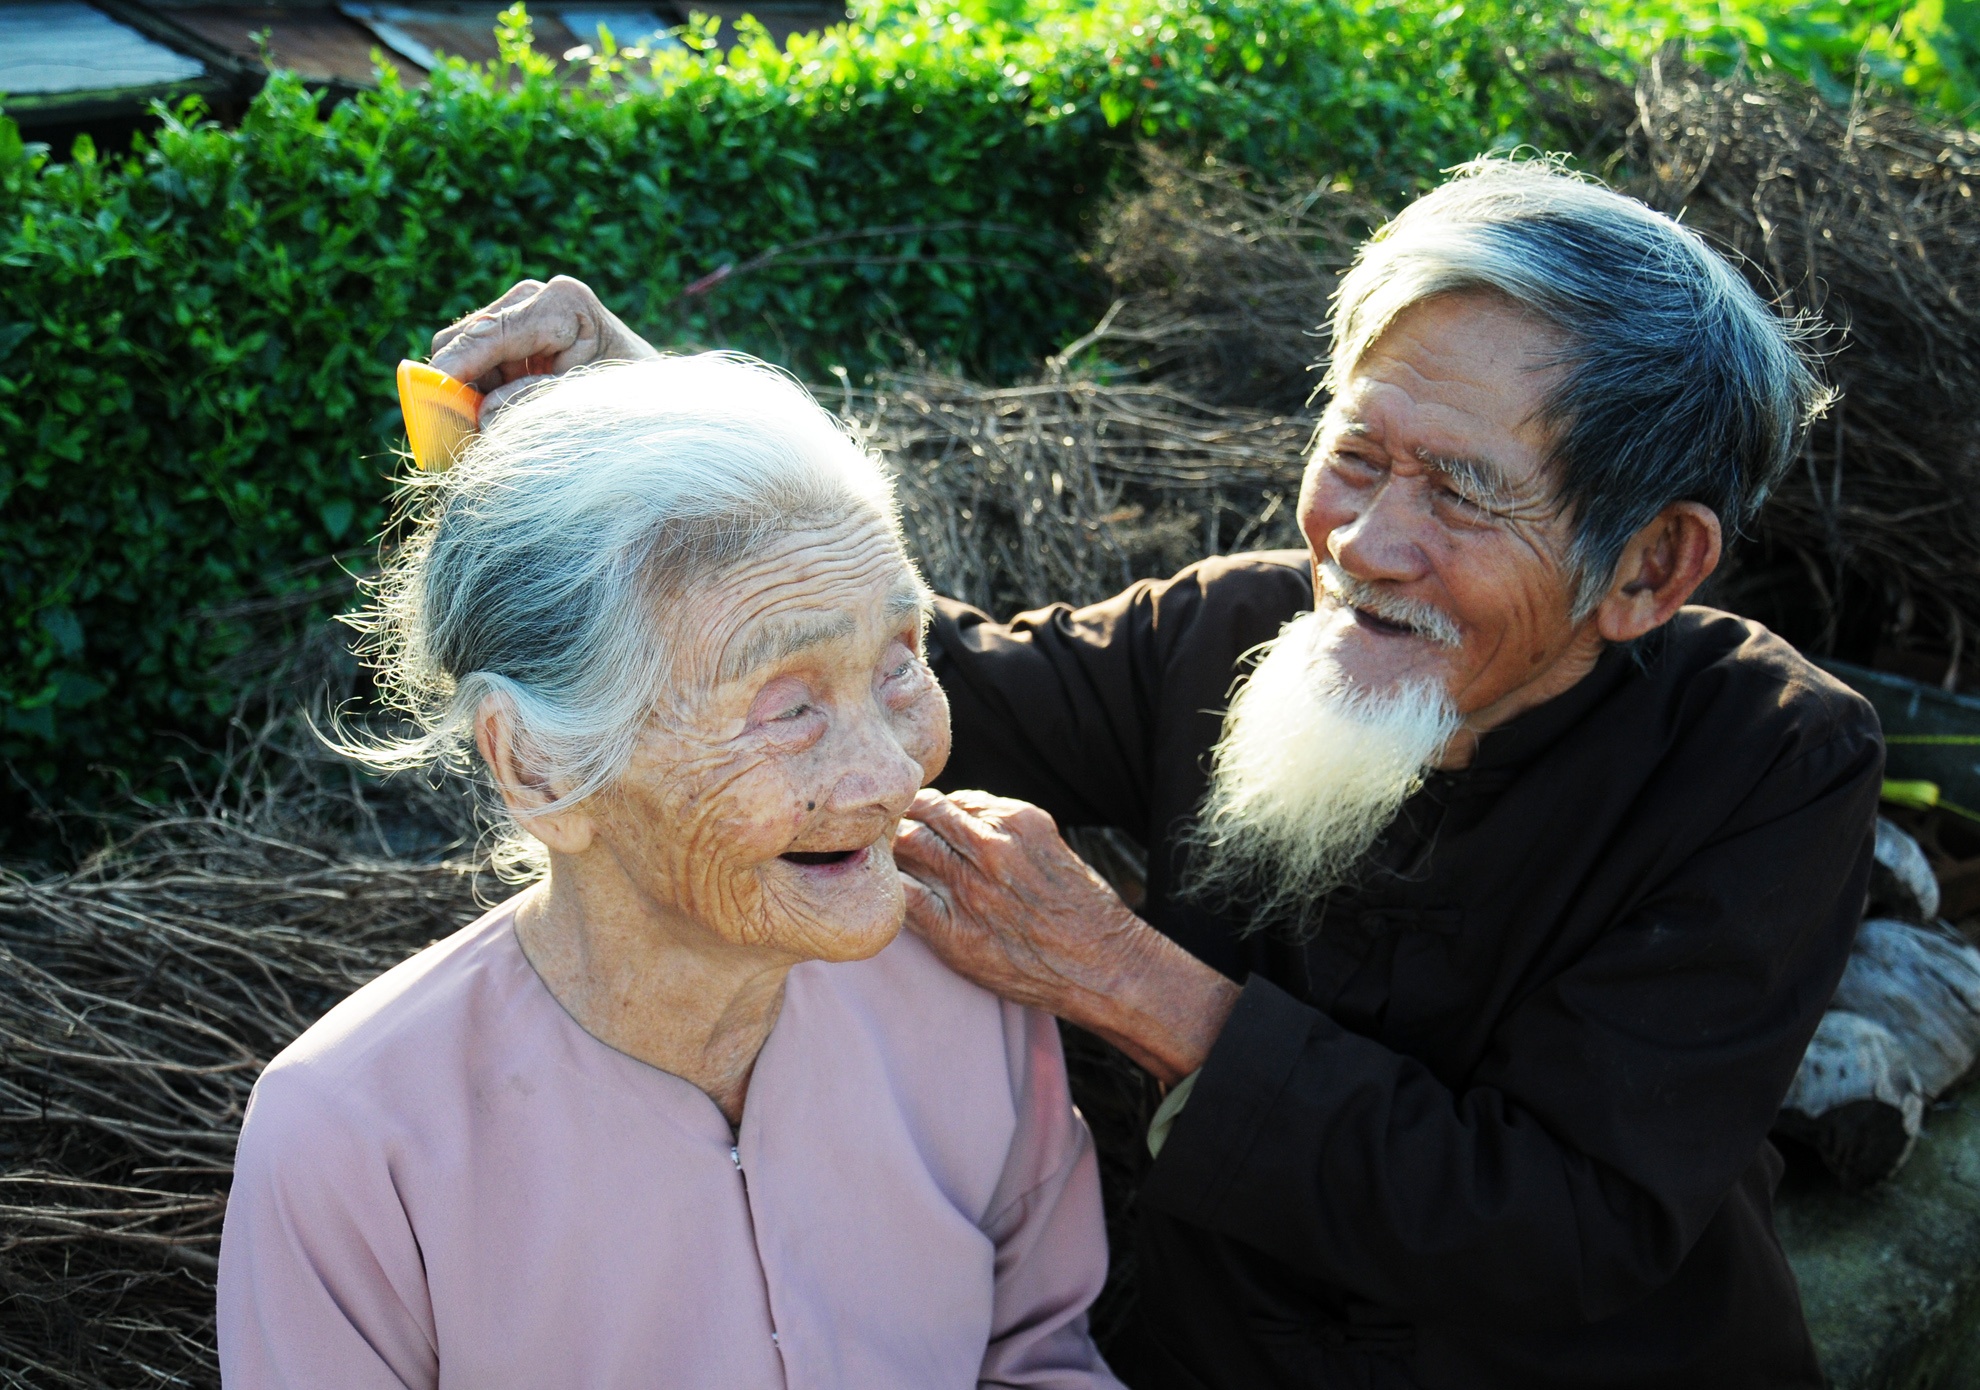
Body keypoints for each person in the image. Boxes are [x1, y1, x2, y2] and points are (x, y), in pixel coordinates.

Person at [437, 158, 1883, 1388]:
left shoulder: (1769, 759)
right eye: (1359, 452)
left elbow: (1564, 1221)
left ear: (1649, 564)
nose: (1369, 541)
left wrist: (1124, 976)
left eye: (1462, 490)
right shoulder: (1235, 627)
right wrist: (665, 415)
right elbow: (940, 685)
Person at [215, 354, 1123, 1390]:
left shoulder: (973, 979)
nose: (887, 773)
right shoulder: (352, 1140)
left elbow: (1042, 1357)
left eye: (899, 662)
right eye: (788, 707)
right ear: (536, 763)